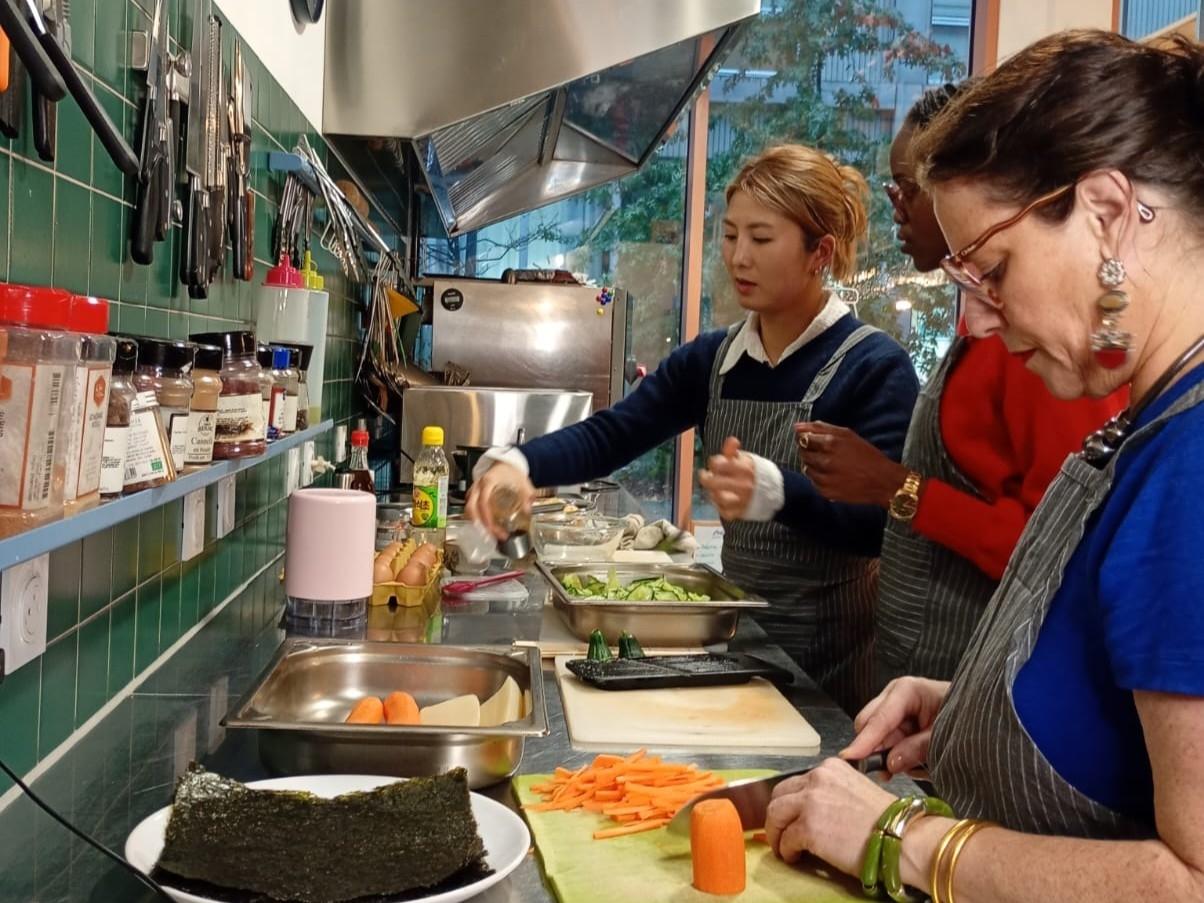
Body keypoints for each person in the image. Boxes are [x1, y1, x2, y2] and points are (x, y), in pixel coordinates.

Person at [763, 31, 1204, 903]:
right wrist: (977, 712)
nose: (985, 319)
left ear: (1110, 213)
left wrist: (904, 837)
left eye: (994, 270)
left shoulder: (1190, 473)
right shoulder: (1146, 425)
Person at [468, 144, 920, 712]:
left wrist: (781, 493)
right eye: (730, 236)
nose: (738, 258)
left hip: (834, 664)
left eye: (761, 238)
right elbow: (615, 433)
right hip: (737, 641)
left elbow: (881, 528)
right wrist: (521, 464)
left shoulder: (874, 367)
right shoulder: (714, 360)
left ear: (818, 252)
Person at [795, 83, 1126, 689]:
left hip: (984, 686)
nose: (897, 203)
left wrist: (893, 485)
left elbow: (1053, 549)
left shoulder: (1038, 349)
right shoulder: (982, 328)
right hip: (931, 687)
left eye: (910, 186)